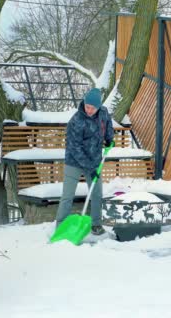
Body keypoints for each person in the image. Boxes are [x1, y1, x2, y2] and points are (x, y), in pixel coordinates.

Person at [55, 87, 114, 235]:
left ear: (99, 107)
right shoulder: (77, 120)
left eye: (92, 108)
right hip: (74, 161)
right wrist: (90, 168)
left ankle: (96, 224)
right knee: (68, 195)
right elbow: (75, 148)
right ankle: (61, 226)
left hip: (94, 160)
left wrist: (109, 139)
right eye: (87, 106)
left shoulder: (103, 113)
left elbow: (107, 126)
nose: (89, 110)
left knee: (96, 194)